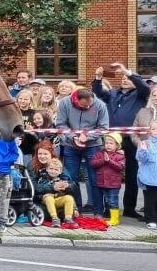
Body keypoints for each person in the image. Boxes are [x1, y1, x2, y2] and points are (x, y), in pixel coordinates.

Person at [90, 63, 150, 219]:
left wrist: (128, 72)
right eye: (123, 78)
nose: (125, 80)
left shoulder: (140, 94)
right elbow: (97, 92)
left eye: (128, 78)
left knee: (132, 174)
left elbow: (145, 87)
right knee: (107, 173)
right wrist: (97, 79)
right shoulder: (112, 93)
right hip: (111, 139)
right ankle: (108, 208)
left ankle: (129, 207)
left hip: (130, 139)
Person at [56, 87, 109, 216]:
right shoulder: (64, 103)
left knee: (94, 178)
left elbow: (103, 127)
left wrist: (88, 137)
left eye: (91, 104)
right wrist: (73, 137)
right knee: (71, 178)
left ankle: (98, 211)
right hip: (71, 145)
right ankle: (75, 209)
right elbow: (61, 124)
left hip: (93, 145)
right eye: (85, 105)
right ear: (76, 100)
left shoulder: (100, 105)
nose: (88, 107)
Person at [88, 133, 126, 226]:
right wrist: (103, 160)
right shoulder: (99, 154)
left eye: (111, 143)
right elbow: (93, 163)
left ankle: (114, 219)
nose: (108, 145)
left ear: (117, 145)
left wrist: (109, 161)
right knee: (99, 199)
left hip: (113, 184)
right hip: (100, 182)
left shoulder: (120, 156)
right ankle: (98, 214)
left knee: (112, 200)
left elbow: (120, 167)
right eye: (106, 143)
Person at [35, 154, 78, 229]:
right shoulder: (43, 177)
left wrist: (75, 208)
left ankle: (68, 218)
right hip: (46, 200)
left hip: (58, 200)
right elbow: (39, 189)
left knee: (69, 198)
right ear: (47, 169)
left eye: (56, 170)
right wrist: (53, 187)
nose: (53, 171)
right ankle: (54, 218)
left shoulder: (62, 179)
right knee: (49, 198)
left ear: (60, 171)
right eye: (51, 169)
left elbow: (69, 193)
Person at [137, 122, 157, 230]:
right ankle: (151, 219)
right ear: (149, 131)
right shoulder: (145, 143)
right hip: (149, 177)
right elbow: (141, 159)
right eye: (154, 129)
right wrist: (143, 150)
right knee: (150, 200)